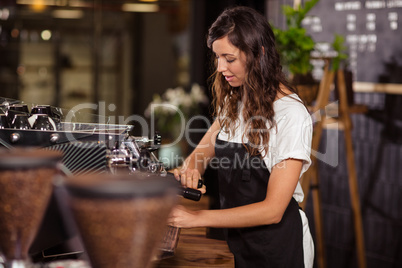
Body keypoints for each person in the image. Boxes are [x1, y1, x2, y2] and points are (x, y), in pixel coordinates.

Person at [169, 6, 314, 268]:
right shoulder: (234, 100)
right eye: (217, 57)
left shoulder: (291, 114)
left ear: (258, 54)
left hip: (279, 248)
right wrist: (190, 170)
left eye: (229, 58)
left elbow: (273, 211)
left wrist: (195, 219)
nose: (220, 67)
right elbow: (200, 154)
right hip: (238, 243)